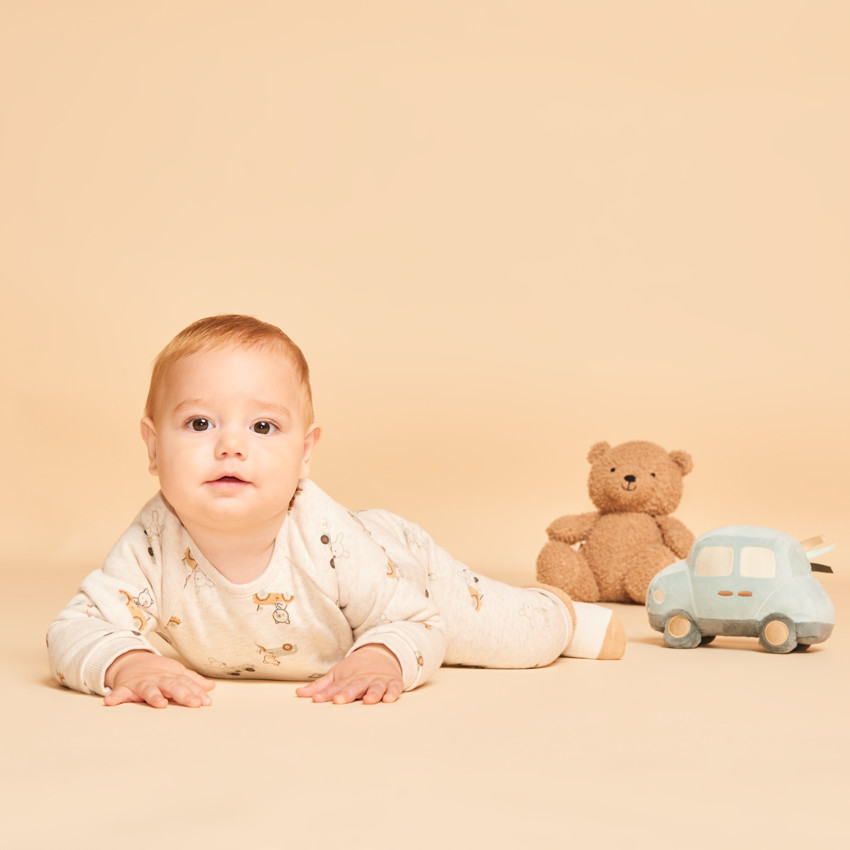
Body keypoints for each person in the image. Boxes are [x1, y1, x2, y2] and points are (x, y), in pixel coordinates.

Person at [47, 315, 625, 708]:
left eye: (264, 426)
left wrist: (380, 655)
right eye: (200, 423)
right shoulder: (153, 541)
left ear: (305, 452)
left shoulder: (326, 538)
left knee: (507, 638)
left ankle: (562, 613)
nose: (230, 446)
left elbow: (416, 621)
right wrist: (129, 665)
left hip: (399, 569)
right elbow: (75, 628)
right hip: (341, 606)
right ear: (153, 447)